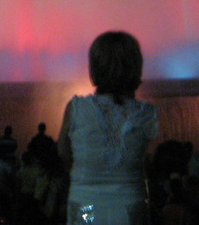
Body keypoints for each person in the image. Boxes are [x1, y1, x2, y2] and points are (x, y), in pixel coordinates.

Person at [58, 31, 158, 225]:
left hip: (85, 205)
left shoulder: (77, 108)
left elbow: (63, 152)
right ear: (136, 67)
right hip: (131, 208)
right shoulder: (148, 113)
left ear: (94, 69)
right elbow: (148, 159)